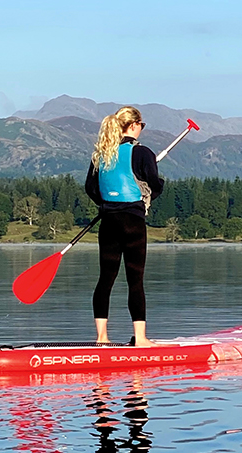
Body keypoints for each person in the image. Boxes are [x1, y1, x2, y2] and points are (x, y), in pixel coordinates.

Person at [85, 106, 163, 346]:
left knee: (105, 278)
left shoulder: (101, 153)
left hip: (108, 221)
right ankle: (140, 338)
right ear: (133, 125)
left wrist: (106, 205)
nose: (142, 129)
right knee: (135, 279)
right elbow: (155, 186)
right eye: (142, 125)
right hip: (132, 222)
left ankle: (101, 337)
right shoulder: (143, 153)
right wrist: (157, 184)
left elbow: (90, 188)